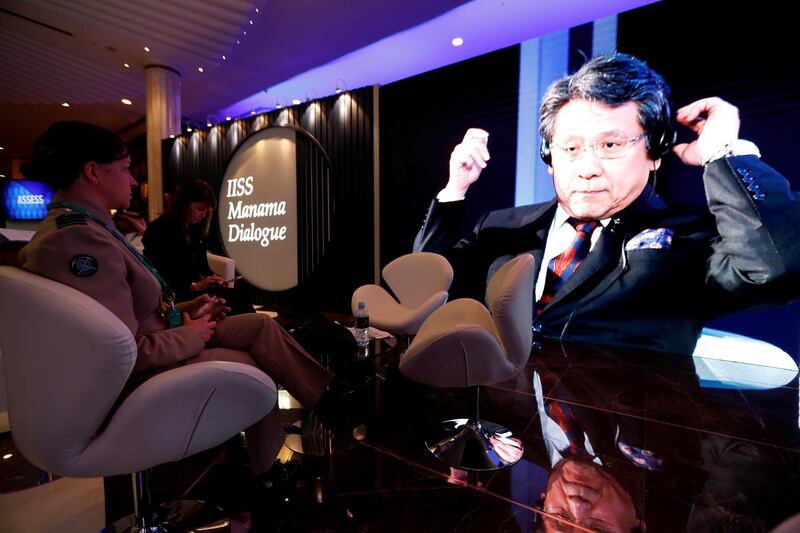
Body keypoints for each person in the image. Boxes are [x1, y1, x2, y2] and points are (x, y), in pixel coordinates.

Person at [17, 121, 348, 485]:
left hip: (167, 333)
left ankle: (327, 401)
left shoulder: (93, 228)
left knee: (259, 325)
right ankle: (263, 469)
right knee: (256, 364)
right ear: (93, 172)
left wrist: (189, 311)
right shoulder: (77, 242)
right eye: (126, 169)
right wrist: (192, 334)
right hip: (132, 377)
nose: (132, 181)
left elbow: (135, 312)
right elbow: (117, 352)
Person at [414, 53, 800, 355]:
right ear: (550, 155)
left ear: (656, 151)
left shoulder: (693, 235)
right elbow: (427, 284)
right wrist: (455, 188)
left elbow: (777, 267)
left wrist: (724, 154)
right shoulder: (502, 226)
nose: (587, 168)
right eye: (571, 148)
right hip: (511, 436)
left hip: (623, 447)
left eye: (611, 145)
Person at [143, 180, 253, 315]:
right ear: (183, 205)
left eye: (206, 211)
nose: (203, 215)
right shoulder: (158, 230)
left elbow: (202, 268)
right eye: (200, 209)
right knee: (233, 298)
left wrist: (213, 279)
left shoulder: (195, 231)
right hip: (178, 295)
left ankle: (252, 328)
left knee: (238, 290)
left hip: (198, 289)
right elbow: (164, 276)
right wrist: (196, 285)